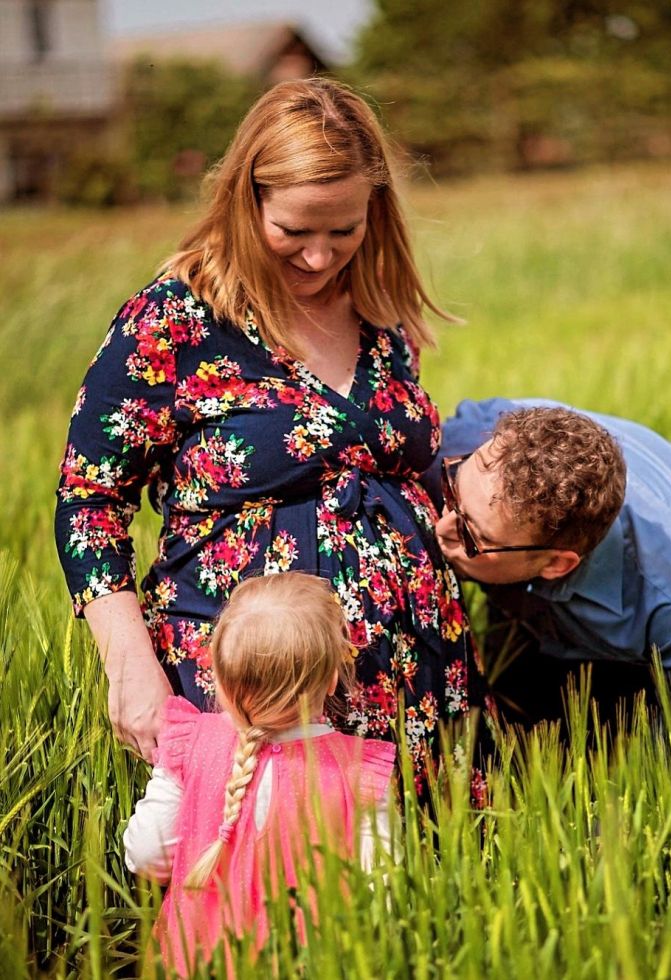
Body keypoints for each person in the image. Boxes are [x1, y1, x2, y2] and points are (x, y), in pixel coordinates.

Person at [54, 78, 487, 789]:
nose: (319, 257)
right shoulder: (175, 321)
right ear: (244, 201)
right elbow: (90, 503)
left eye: (342, 231)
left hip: (416, 681)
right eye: (293, 231)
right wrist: (129, 666)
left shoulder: (383, 316)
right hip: (258, 688)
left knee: (428, 884)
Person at [123, 572, 396, 975]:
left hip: (195, 963)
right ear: (333, 678)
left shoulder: (191, 742)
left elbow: (146, 855)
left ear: (219, 679)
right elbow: (382, 894)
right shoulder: (360, 771)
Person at [426, 398, 671, 727]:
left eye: (471, 534)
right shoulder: (461, 451)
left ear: (556, 565)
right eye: (452, 493)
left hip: (646, 628)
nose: (441, 528)